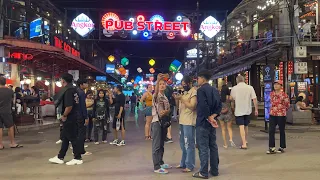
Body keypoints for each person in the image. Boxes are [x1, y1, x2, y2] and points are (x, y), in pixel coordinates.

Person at [192, 70, 221, 179]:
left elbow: (203, 106)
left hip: (203, 122)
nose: (197, 80)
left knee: (203, 147)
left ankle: (203, 172)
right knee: (213, 146)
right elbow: (219, 105)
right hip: (212, 123)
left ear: (203, 79)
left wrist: (208, 117)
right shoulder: (214, 89)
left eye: (198, 78)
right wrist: (213, 116)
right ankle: (214, 170)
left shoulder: (201, 90)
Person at [49, 73, 83, 165]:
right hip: (74, 116)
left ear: (63, 80)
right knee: (65, 137)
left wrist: (64, 115)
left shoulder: (68, 91)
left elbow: (69, 106)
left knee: (72, 137)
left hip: (70, 117)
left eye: (61, 80)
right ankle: (60, 157)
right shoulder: (74, 89)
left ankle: (78, 157)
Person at [173, 76, 197, 173]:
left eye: (185, 85)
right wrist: (177, 98)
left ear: (189, 83)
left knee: (189, 143)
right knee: (182, 144)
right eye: (182, 85)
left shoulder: (193, 92)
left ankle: (190, 165)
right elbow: (179, 106)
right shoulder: (184, 93)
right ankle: (183, 162)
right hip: (182, 120)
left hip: (189, 121)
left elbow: (192, 106)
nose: (183, 86)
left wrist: (182, 98)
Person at [230, 75, 258, 149]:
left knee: (241, 126)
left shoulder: (234, 88)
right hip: (247, 110)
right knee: (246, 125)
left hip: (239, 110)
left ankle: (244, 144)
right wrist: (256, 109)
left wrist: (232, 107)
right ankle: (245, 140)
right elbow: (254, 99)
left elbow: (231, 99)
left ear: (237, 81)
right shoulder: (250, 87)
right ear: (244, 80)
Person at [152, 74, 171, 174]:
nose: (162, 85)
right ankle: (156, 167)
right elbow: (155, 92)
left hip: (164, 123)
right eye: (160, 84)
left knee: (161, 144)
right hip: (156, 122)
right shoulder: (156, 95)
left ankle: (161, 161)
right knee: (156, 145)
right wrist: (158, 79)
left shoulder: (165, 97)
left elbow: (168, 108)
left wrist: (166, 112)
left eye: (163, 84)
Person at [267, 81, 290, 154]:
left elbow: (287, 105)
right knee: (271, 130)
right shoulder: (271, 94)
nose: (276, 86)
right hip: (272, 114)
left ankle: (282, 147)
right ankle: (271, 147)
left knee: (281, 131)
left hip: (281, 114)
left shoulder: (284, 95)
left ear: (281, 86)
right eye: (275, 84)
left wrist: (282, 110)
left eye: (277, 84)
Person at [0, 77, 23, 149]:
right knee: (10, 126)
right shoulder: (10, 91)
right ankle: (12, 143)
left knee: (0, 128)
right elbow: (13, 101)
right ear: (5, 82)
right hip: (7, 111)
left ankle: (0, 145)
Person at [76, 79, 91, 155]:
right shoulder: (81, 93)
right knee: (82, 133)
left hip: (76, 115)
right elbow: (83, 106)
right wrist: (86, 117)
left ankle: (78, 149)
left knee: (78, 133)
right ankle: (81, 150)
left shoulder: (76, 91)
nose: (87, 85)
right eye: (85, 83)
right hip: (81, 115)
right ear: (81, 84)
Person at [217, 85, 236, 149]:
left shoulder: (219, 97)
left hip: (221, 114)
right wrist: (233, 111)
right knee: (229, 128)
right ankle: (230, 139)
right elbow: (232, 106)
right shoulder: (230, 97)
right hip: (228, 113)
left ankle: (225, 144)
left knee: (223, 129)